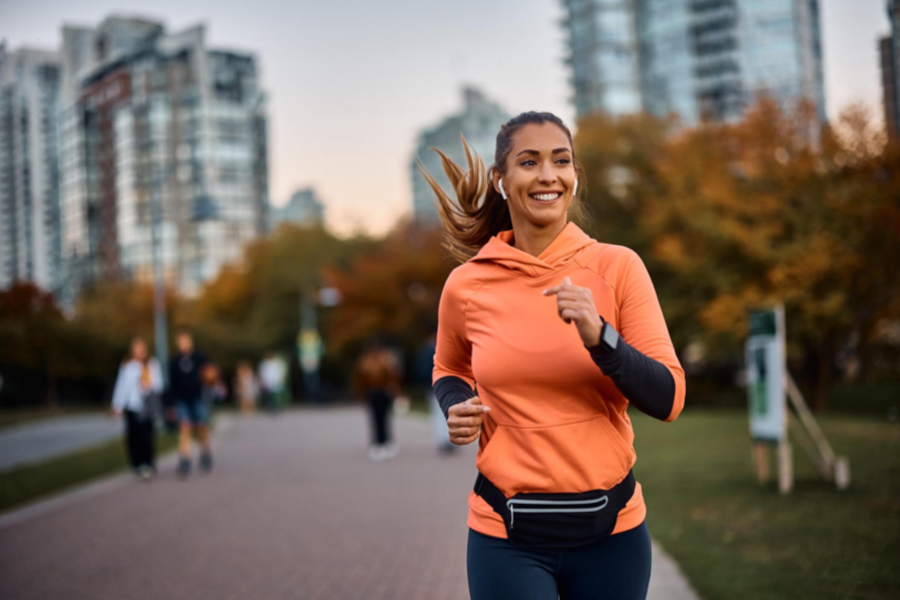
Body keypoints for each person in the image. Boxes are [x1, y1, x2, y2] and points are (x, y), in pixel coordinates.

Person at [423, 112, 686, 600]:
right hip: (505, 535)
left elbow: (669, 398)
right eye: (530, 162)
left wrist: (601, 338)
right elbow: (449, 366)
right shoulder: (467, 284)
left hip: (613, 536)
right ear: (502, 181)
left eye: (560, 161)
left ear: (574, 176)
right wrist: (456, 404)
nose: (548, 175)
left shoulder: (618, 267)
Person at [110, 337, 163, 480]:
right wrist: (117, 405)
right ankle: (137, 464)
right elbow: (121, 386)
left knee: (147, 436)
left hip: (147, 407)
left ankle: (148, 463)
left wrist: (148, 385)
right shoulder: (128, 366)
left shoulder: (152, 364)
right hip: (132, 406)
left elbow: (159, 385)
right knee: (133, 437)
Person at [168, 326, 212, 477]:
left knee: (201, 426)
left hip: (198, 397)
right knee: (185, 427)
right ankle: (185, 458)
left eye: (185, 340)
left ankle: (205, 452)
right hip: (182, 399)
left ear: (190, 340)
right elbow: (172, 384)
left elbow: (209, 374)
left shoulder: (199, 357)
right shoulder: (174, 362)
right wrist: (170, 404)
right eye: (180, 341)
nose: (183, 343)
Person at [352, 340, 404, 461]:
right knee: (383, 418)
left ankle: (379, 443)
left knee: (377, 418)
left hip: (374, 393)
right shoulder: (386, 360)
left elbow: (360, 379)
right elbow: (394, 376)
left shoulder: (365, 362)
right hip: (381, 392)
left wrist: (362, 393)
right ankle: (383, 442)